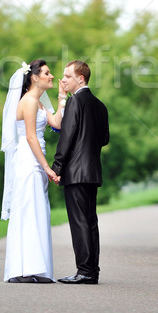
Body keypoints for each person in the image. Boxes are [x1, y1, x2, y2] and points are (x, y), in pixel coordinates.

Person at [1, 59, 65, 283]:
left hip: (37, 162)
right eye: (47, 73)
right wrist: (47, 166)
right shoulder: (28, 102)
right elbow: (30, 137)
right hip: (29, 162)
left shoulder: (38, 104)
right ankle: (21, 270)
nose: (51, 76)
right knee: (27, 211)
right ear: (35, 77)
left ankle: (38, 268)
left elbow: (57, 122)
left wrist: (62, 96)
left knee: (39, 211)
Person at [51, 60, 109, 285]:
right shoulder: (100, 105)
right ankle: (92, 270)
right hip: (92, 171)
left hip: (75, 172)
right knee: (90, 222)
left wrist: (57, 166)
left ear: (80, 78)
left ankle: (84, 271)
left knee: (79, 222)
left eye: (67, 76)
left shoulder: (75, 102)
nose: (63, 80)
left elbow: (67, 137)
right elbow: (104, 139)